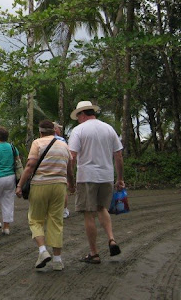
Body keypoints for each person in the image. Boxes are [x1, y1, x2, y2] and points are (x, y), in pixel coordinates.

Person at [68, 100, 124, 264]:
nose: (78, 120)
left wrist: (70, 180)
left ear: (82, 114)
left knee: (88, 213)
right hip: (106, 176)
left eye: (78, 116)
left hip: (87, 176)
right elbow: (118, 155)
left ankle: (94, 253)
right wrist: (120, 178)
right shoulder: (109, 129)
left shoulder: (79, 130)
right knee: (102, 208)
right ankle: (111, 239)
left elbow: (72, 157)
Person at [15, 120, 74, 271]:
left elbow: (29, 166)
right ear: (54, 131)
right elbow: (70, 170)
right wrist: (72, 185)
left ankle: (42, 251)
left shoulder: (37, 143)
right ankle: (58, 260)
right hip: (60, 186)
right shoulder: (64, 146)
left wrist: (20, 185)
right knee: (56, 221)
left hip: (40, 184)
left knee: (35, 219)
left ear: (40, 132)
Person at [54, 122, 70, 219]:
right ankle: (64, 210)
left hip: (47, 169)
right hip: (61, 168)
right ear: (55, 129)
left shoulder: (41, 140)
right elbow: (67, 155)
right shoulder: (62, 140)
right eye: (59, 129)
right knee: (63, 191)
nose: (60, 131)